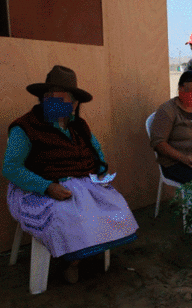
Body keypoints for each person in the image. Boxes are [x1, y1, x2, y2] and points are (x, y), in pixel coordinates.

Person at [3, 65, 139, 284]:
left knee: (115, 204)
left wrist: (101, 176)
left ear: (74, 104)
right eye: (48, 97)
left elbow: (97, 154)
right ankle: (71, 262)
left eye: (61, 99)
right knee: (67, 215)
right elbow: (11, 168)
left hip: (81, 183)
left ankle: (89, 253)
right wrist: (47, 187)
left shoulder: (79, 126)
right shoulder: (25, 127)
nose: (53, 102)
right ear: (42, 99)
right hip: (38, 188)